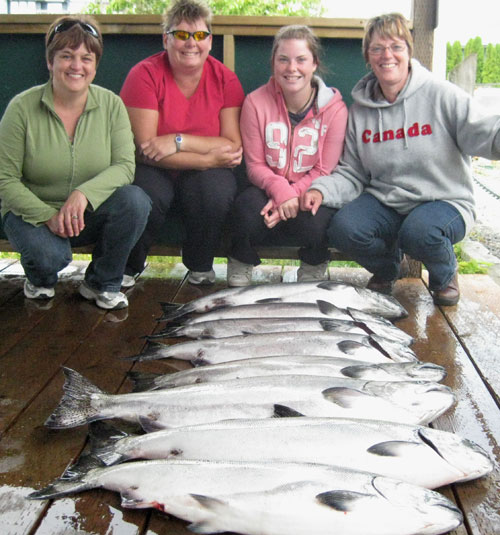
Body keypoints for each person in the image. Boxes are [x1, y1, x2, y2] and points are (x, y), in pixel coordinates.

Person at [303, 12, 500, 306]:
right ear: (368, 57)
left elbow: (483, 131)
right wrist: (321, 189)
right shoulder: (360, 111)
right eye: (377, 49)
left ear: (409, 52)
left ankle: (445, 274)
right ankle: (386, 268)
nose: (387, 55)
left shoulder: (440, 94)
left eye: (396, 46)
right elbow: (353, 172)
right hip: (386, 200)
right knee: (344, 229)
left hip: (445, 200)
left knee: (419, 233)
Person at [0, 15, 151, 310]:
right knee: (51, 258)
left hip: (86, 213)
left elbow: (124, 166)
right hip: (30, 214)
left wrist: (83, 195)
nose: (76, 66)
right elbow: (4, 179)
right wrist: (47, 215)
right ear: (50, 61)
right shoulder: (21, 108)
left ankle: (101, 283)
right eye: (66, 56)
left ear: (95, 65)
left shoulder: (111, 105)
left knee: (136, 201)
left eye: (86, 58)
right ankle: (39, 278)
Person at [120, 0, 244, 286]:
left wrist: (178, 140)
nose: (191, 43)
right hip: (153, 168)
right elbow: (147, 150)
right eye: (181, 35)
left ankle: (201, 264)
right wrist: (207, 158)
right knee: (146, 193)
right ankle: (128, 265)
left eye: (200, 35)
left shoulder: (225, 79)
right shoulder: (145, 75)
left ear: (210, 42)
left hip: (197, 171)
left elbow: (232, 146)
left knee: (215, 190)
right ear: (166, 39)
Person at [227, 25, 348, 287]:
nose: (291, 68)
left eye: (301, 59)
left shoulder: (335, 109)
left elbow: (324, 170)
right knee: (245, 209)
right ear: (273, 63)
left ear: (314, 63)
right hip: (266, 186)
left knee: (319, 218)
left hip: (310, 189)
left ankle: (314, 261)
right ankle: (240, 257)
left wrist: (290, 201)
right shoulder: (255, 102)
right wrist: (281, 192)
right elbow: (255, 165)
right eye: (283, 59)